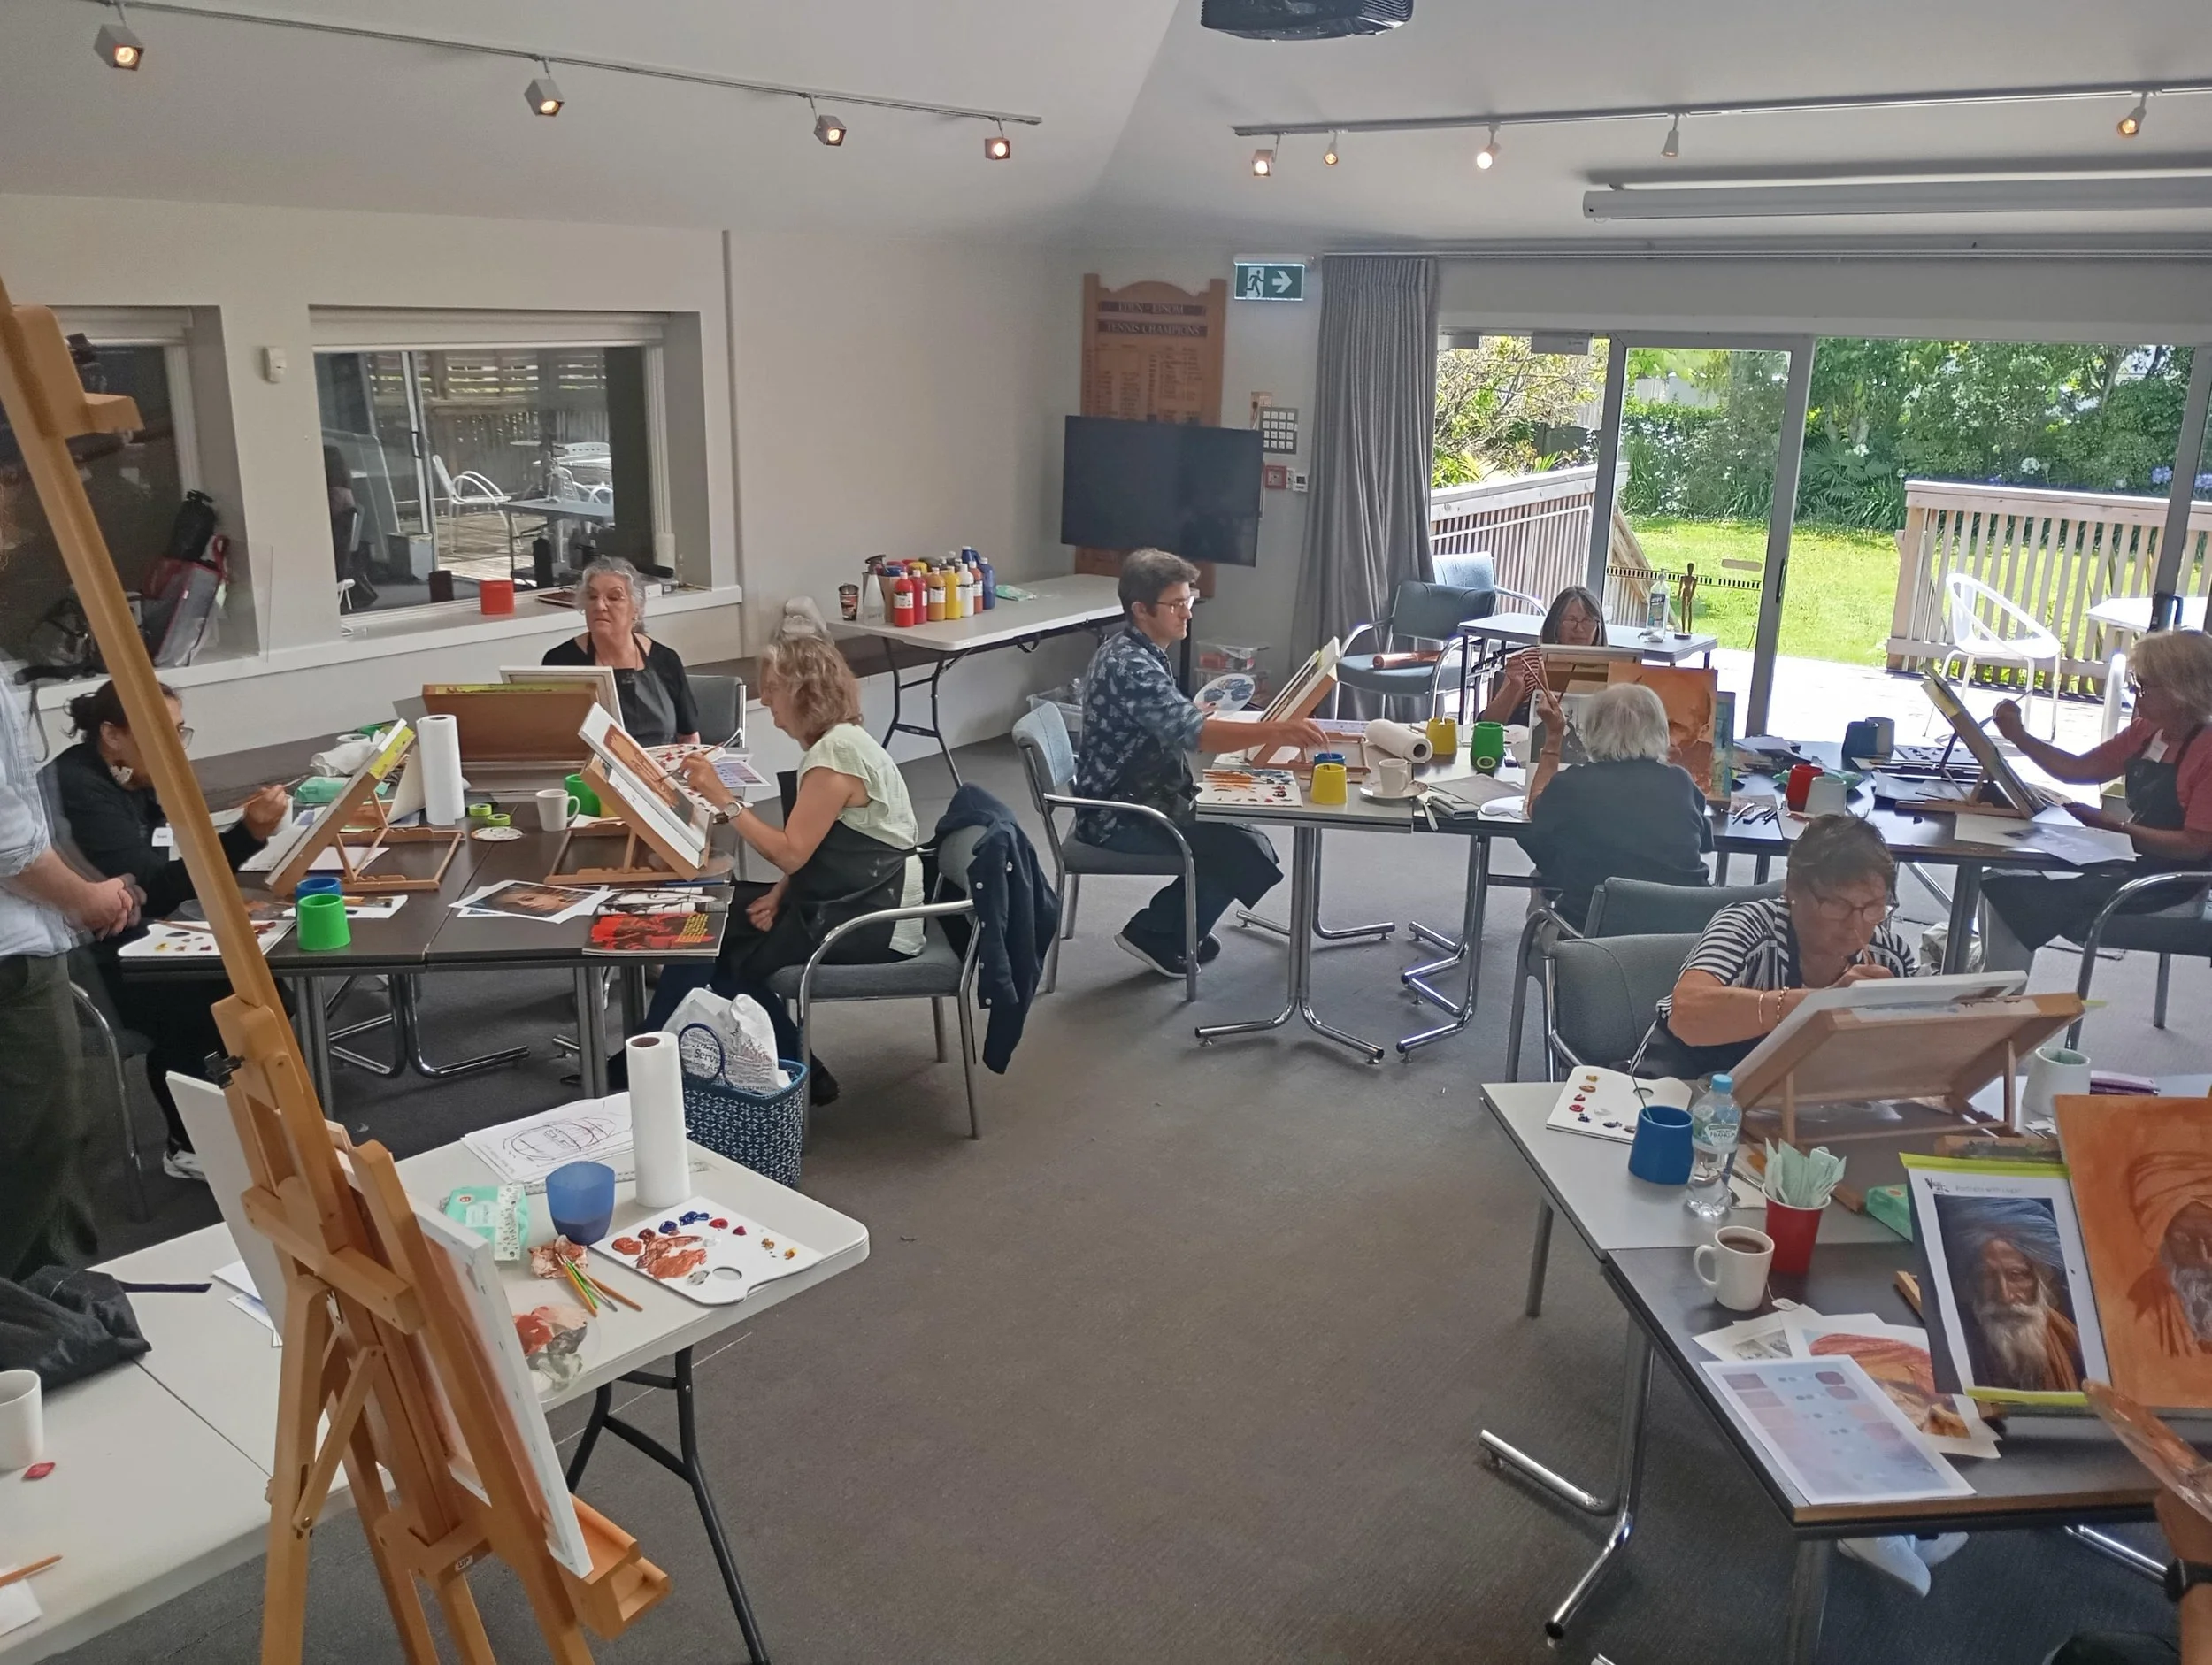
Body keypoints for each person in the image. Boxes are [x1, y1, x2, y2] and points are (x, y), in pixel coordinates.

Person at [50, 680, 290, 1180]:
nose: (174, 745)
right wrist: (246, 836)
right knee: (211, 994)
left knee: (262, 986)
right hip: (81, 957)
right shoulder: (80, 788)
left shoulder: (133, 775)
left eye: (179, 731)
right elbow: (154, 885)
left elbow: (167, 854)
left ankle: (243, 1119)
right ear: (112, 735)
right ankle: (188, 1145)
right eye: (161, 731)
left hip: (135, 928)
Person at [667, 635, 923, 1103]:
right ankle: (773, 1063)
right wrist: (782, 892)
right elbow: (826, 845)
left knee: (713, 934)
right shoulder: (842, 743)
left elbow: (790, 852)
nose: (766, 700)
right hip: (856, 892)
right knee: (713, 917)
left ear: (805, 691)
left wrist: (722, 798)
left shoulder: (835, 756)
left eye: (773, 689)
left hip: (873, 918)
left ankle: (781, 1065)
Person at [1071, 549, 1325, 978]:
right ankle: (1155, 933)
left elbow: (1173, 722)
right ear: (1141, 609)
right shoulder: (1131, 665)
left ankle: (1175, 927)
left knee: (1239, 836)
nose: (1188, 614)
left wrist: (1193, 717)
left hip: (1140, 792)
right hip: (1120, 813)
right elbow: (1198, 736)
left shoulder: (1134, 649)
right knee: (1240, 848)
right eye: (1177, 605)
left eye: (1190, 602)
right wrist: (1277, 730)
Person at [1, 672, 139, 1280]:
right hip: (15, 960)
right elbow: (8, 841)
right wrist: (81, 899)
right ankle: (40, 1331)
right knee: (39, 1155)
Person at [1979, 628, 2212, 971]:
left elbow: (2194, 847)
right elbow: (2077, 769)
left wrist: (2113, 827)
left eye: (2144, 686)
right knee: (2000, 873)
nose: (2136, 694)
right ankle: (1991, 980)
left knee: (2013, 891)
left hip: (2173, 886)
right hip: (2132, 860)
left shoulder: (2207, 752)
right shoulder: (2147, 731)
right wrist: (2019, 737)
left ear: (2182, 691)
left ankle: (1997, 996)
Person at [1651, 813, 1916, 1077]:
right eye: (1837, 904)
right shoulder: (1748, 928)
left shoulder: (1889, 956)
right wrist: (1822, 1003)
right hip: (1680, 1083)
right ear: (1792, 891)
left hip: (1790, 1100)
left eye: (1873, 907)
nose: (1856, 924)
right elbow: (1686, 1013)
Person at [1517, 680, 1711, 931]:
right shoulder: (1680, 782)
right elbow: (1705, 842)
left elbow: (1535, 807)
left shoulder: (1572, 785)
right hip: (1678, 943)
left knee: (1549, 862)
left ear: (1593, 730)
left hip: (1591, 942)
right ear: (1660, 731)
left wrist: (1554, 737)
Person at [541, 555, 701, 745]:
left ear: (636, 609)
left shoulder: (665, 660)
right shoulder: (560, 661)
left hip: (659, 770)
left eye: (614, 597)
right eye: (592, 597)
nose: (600, 606)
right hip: (588, 772)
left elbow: (689, 737)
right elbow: (551, 739)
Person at [1476, 584, 1606, 727]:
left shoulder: (1613, 667)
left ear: (1599, 627)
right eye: (1571, 620)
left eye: (1588, 621)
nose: (1579, 628)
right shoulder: (1530, 662)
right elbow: (1486, 725)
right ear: (1555, 624)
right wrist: (1514, 687)